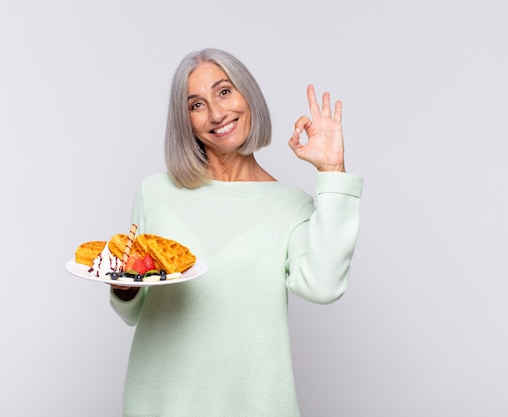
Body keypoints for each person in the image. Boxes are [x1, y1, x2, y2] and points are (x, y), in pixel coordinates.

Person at [109, 48, 363, 416]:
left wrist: (333, 171)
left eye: (224, 91)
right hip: (161, 403)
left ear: (248, 96)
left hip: (254, 405)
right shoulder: (155, 193)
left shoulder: (290, 206)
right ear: (185, 121)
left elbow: (324, 287)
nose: (215, 113)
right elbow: (133, 309)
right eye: (196, 104)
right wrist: (123, 287)